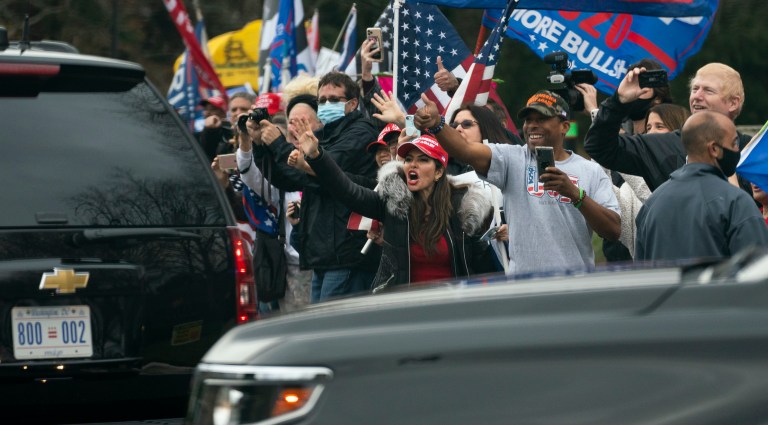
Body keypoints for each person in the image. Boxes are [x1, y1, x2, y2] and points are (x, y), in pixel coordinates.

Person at [415, 90, 621, 274]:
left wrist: (576, 195)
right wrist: (437, 125)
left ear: (564, 126)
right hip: (524, 290)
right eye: (528, 119)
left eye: (542, 119)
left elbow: (612, 230)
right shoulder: (511, 159)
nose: (532, 125)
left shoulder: (590, 170)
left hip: (575, 291)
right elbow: (465, 150)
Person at [297, 120, 495, 290]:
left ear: (438, 172)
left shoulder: (462, 210)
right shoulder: (394, 206)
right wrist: (317, 156)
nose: (412, 165)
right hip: (403, 311)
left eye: (423, 160)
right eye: (408, 159)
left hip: (452, 312)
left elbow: (484, 266)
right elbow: (348, 190)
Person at [249, 71, 379, 303]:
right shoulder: (325, 134)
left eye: (333, 99)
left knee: (335, 331)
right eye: (322, 100)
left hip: (347, 252)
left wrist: (279, 143)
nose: (326, 104)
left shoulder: (361, 132)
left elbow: (327, 169)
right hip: (323, 252)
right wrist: (261, 146)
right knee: (322, 328)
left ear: (352, 103)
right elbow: (290, 178)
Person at [585, 63, 749, 193]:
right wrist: (618, 101)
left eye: (708, 90)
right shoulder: (661, 145)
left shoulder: (752, 151)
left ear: (733, 103)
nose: (697, 96)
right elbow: (599, 148)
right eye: (695, 89)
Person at [635, 112, 768, 261]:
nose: (738, 150)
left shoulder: (651, 204)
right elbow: (758, 270)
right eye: (734, 143)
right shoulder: (736, 202)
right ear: (714, 149)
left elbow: (640, 273)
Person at [199, 91, 255, 161]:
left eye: (244, 109)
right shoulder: (222, 135)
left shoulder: (261, 133)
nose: (238, 113)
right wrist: (209, 131)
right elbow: (206, 156)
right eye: (234, 110)